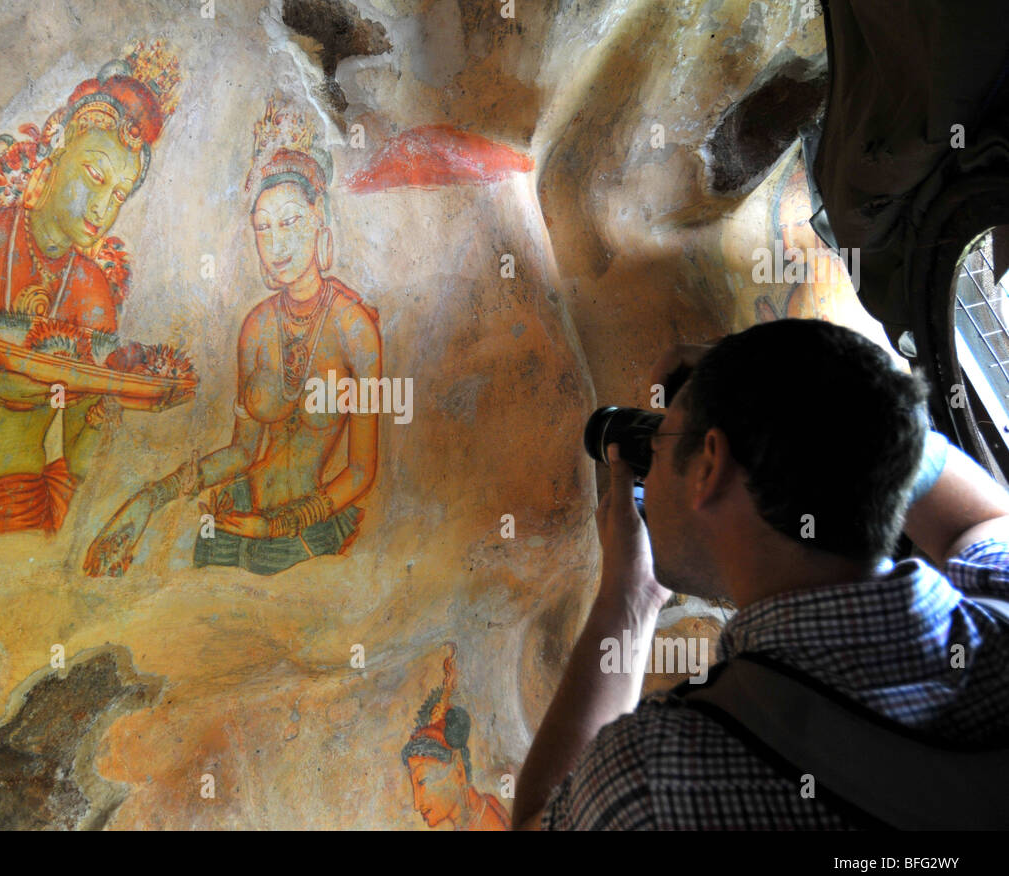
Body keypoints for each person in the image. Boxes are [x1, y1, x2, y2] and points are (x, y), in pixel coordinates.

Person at [515, 318, 1009, 829]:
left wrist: (629, 598)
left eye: (659, 442)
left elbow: (538, 818)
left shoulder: (661, 784)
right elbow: (983, 520)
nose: (650, 463)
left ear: (709, 466)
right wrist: (834, 409)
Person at [0, 40, 184, 537]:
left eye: (119, 194)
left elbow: (78, 460)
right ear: (57, 152)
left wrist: (114, 400)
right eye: (94, 175)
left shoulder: (92, 295)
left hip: (14, 498)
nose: (103, 207)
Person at [84, 96, 380, 577]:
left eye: (290, 222)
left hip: (306, 530)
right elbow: (243, 451)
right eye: (263, 228)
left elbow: (362, 472)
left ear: (318, 221)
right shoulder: (257, 327)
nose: (276, 243)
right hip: (237, 513)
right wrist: (151, 497)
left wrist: (282, 525)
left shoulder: (355, 330)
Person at [402, 645, 510, 831]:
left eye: (422, 782)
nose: (417, 804)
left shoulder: (486, 824)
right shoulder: (479, 812)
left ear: (458, 769)